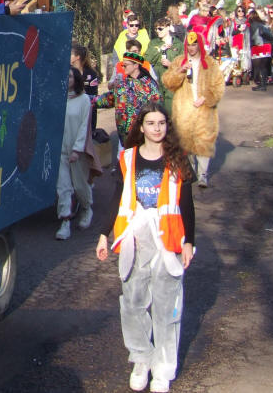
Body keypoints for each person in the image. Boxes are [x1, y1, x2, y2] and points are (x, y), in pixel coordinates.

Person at [96, 103, 196, 393]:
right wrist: (104, 234)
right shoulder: (127, 158)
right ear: (141, 127)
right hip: (135, 238)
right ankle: (142, 359)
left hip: (169, 239)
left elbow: (187, 203)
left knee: (167, 306)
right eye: (151, 123)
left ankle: (163, 368)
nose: (156, 128)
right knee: (133, 302)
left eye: (161, 123)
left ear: (167, 126)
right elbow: (117, 198)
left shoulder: (179, 159)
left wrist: (189, 241)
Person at [161, 31, 224, 187]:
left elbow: (219, 86)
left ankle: (203, 175)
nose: (191, 48)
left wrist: (206, 97)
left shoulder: (209, 63)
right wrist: (180, 71)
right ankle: (188, 172)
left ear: (199, 45)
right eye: (188, 45)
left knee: (204, 141)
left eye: (194, 44)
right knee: (184, 142)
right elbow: (168, 82)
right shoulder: (179, 61)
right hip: (184, 109)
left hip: (204, 109)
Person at [95, 51, 161, 161]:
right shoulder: (123, 84)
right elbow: (108, 99)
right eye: (122, 64)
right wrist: (87, 100)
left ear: (136, 65)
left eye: (126, 65)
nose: (123, 67)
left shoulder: (149, 85)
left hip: (143, 135)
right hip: (125, 136)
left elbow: (157, 108)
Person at [56, 67, 97, 240]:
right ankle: (65, 221)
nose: (68, 79)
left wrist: (77, 149)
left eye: (70, 76)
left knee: (80, 185)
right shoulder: (58, 99)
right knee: (63, 186)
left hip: (76, 151)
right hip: (60, 151)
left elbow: (83, 128)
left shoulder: (83, 101)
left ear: (76, 79)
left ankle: (87, 208)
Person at [146, 19, 183, 114]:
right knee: (157, 108)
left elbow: (182, 63)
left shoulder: (178, 44)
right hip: (157, 80)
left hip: (171, 79)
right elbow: (147, 60)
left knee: (170, 108)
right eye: (156, 29)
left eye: (160, 29)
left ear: (168, 28)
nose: (157, 31)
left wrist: (171, 65)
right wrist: (159, 49)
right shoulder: (153, 43)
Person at [248, 11, 273, 91]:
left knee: (258, 66)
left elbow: (254, 36)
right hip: (266, 46)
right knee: (263, 67)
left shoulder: (253, 25)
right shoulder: (263, 24)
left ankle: (261, 84)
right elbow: (269, 35)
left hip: (258, 46)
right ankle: (263, 83)